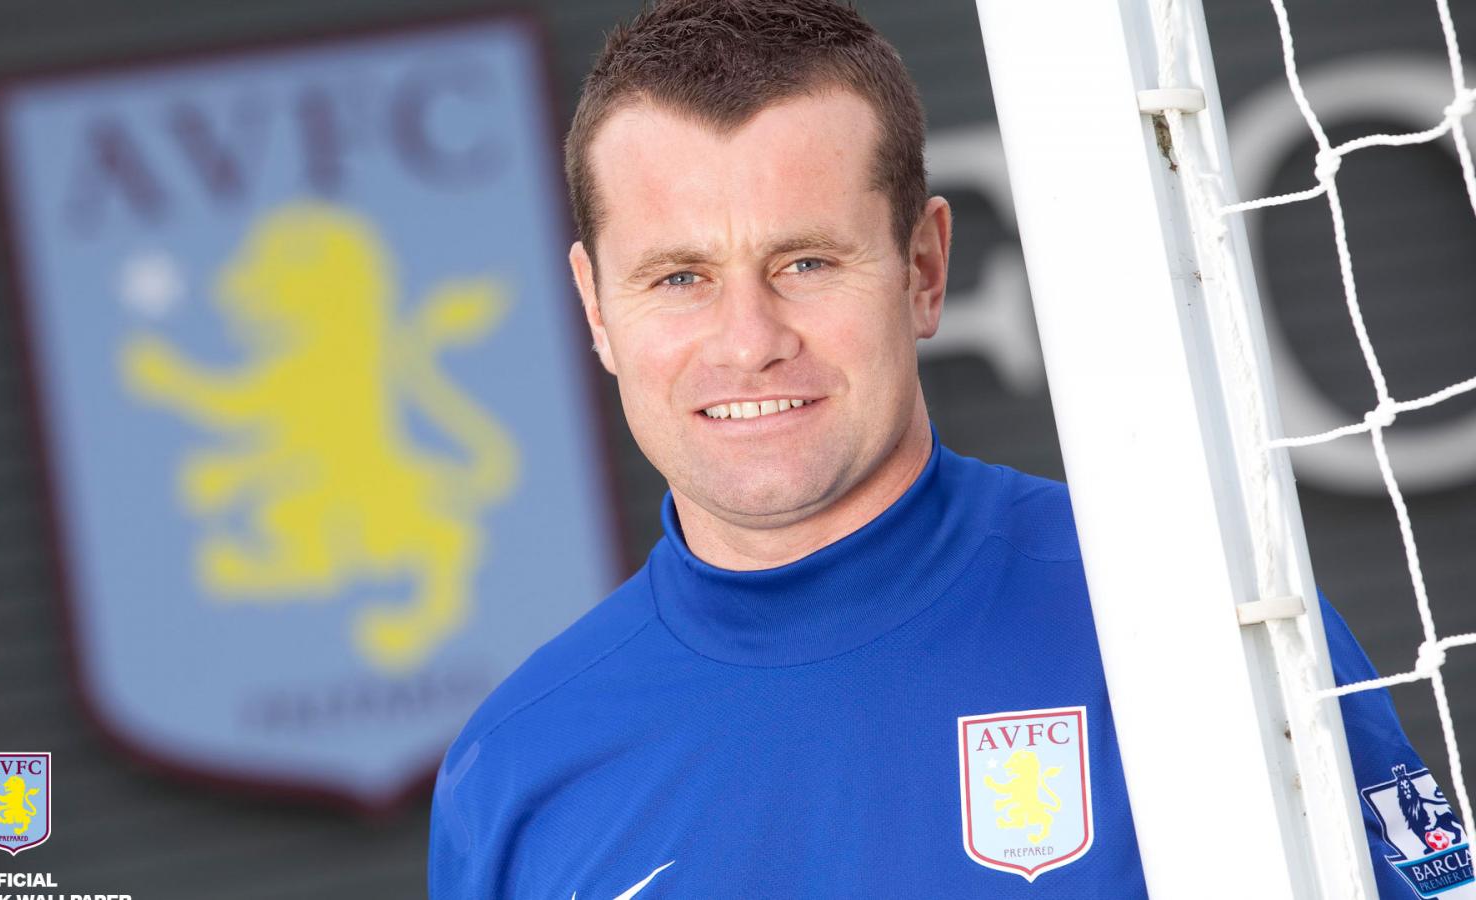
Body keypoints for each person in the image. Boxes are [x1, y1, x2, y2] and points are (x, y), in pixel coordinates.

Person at [428, 1, 1473, 897]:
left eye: (805, 262)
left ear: (923, 268)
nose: (748, 341)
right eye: (678, 278)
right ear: (595, 308)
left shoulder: (1198, 606)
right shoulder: (518, 770)